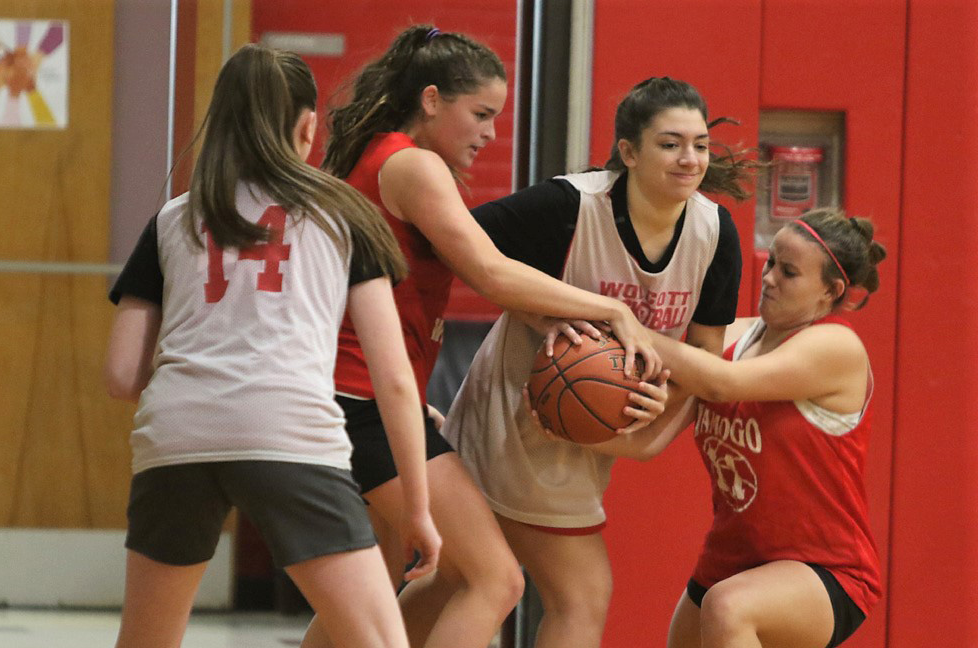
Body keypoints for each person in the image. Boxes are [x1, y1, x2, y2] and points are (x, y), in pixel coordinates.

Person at [304, 25, 662, 648]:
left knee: (366, 597)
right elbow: (490, 270)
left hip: (352, 399)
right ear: (433, 99)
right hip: (363, 404)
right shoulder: (412, 164)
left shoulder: (377, 156)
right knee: (495, 580)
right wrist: (612, 310)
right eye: (481, 114)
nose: (492, 133)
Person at [103, 44, 440, 648]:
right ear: (308, 126)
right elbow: (394, 380)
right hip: (290, 434)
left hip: (177, 435)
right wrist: (417, 509)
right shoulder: (345, 215)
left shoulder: (172, 220)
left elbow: (122, 375)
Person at [439, 77, 756, 648]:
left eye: (701, 145)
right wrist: (542, 317)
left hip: (586, 436)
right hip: (514, 417)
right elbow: (461, 247)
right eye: (670, 144)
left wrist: (665, 402)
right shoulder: (568, 205)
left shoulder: (714, 232)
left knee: (456, 585)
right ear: (628, 152)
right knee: (580, 595)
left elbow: (705, 358)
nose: (690, 159)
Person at [636, 209, 886, 648]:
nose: (768, 278)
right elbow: (644, 443)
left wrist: (627, 326)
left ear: (831, 291)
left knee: (729, 608)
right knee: (707, 618)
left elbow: (721, 381)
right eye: (771, 262)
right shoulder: (731, 338)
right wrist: (564, 424)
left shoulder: (836, 345)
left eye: (788, 273)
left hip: (825, 569)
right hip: (732, 558)